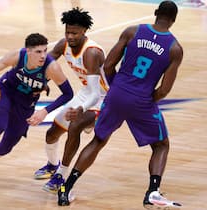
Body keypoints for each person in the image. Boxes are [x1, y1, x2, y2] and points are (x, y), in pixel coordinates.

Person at [57, 1, 184, 209]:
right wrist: (147, 100)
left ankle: (66, 188)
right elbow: (164, 90)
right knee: (161, 145)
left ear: (155, 13)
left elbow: (107, 66)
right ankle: (152, 192)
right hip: (142, 100)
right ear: (174, 20)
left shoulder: (132, 31)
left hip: (116, 93)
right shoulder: (174, 48)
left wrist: (118, 88)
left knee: (98, 140)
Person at [0, 33, 74, 185]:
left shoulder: (51, 67)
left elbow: (68, 93)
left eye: (44, 51)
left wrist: (44, 111)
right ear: (28, 51)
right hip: (6, 91)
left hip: (26, 103)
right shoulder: (17, 56)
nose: (43, 55)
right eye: (38, 52)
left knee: (6, 147)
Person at [33, 7, 108, 193]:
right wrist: (42, 81)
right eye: (67, 32)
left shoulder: (91, 53)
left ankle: (62, 175)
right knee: (52, 133)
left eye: (74, 33)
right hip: (86, 92)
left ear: (84, 31)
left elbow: (95, 94)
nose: (70, 36)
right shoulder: (63, 44)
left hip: (104, 97)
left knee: (74, 127)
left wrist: (81, 109)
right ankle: (52, 165)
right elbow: (45, 66)